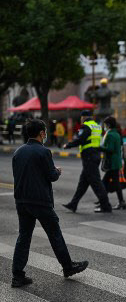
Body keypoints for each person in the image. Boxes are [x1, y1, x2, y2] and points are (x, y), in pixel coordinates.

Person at [11, 119, 88, 288]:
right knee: (54, 234)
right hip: (40, 201)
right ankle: (68, 267)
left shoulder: (18, 152)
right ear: (41, 133)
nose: (45, 134)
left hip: (22, 201)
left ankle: (17, 275)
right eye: (44, 132)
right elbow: (51, 176)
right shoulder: (43, 152)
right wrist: (57, 171)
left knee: (23, 237)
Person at [62, 111, 112, 213]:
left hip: (89, 157)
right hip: (95, 155)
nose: (81, 120)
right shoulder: (96, 126)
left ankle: (106, 206)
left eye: (81, 118)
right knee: (83, 183)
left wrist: (68, 145)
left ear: (84, 117)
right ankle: (73, 204)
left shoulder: (86, 126)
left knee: (96, 183)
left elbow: (80, 139)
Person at [100, 117, 125, 210]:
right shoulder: (117, 134)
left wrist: (99, 148)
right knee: (109, 183)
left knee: (105, 183)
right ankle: (106, 201)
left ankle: (104, 202)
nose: (104, 126)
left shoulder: (110, 134)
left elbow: (110, 149)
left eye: (105, 124)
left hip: (111, 163)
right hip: (116, 162)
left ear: (108, 125)